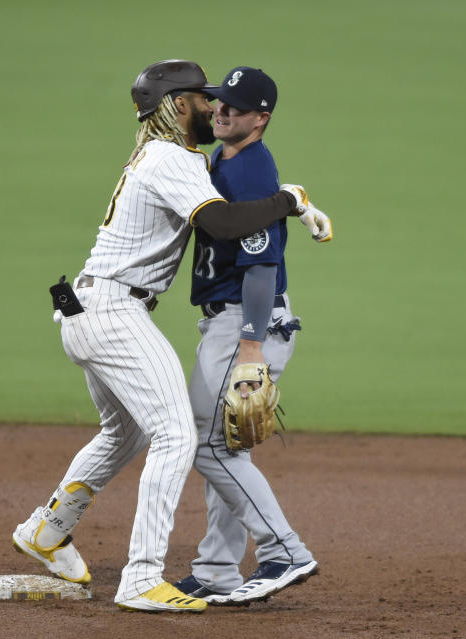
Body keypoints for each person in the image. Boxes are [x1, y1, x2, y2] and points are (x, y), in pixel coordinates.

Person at [11, 60, 330, 614]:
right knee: (182, 436)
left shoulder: (166, 156)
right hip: (114, 310)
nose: (215, 107)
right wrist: (291, 201)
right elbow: (226, 224)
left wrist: (286, 202)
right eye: (205, 99)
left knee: (126, 433)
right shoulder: (175, 158)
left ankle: (48, 528)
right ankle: (141, 578)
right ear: (180, 106)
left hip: (88, 307)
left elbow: (241, 223)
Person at [173, 67, 325, 606]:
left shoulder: (252, 172)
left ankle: (284, 550)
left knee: (208, 442)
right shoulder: (225, 155)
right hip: (227, 320)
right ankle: (217, 569)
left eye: (235, 108)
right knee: (227, 445)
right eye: (219, 103)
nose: (221, 112)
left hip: (246, 322)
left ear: (261, 119)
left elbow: (262, 268)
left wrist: (252, 348)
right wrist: (296, 201)